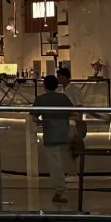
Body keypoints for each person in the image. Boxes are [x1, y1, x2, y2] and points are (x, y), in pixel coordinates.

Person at [32, 74, 74, 205]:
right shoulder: (63, 97)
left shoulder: (40, 99)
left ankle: (60, 190)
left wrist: (43, 122)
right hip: (64, 133)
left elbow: (33, 117)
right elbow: (73, 112)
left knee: (55, 164)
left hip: (51, 135)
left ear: (44, 86)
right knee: (62, 162)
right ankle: (63, 186)